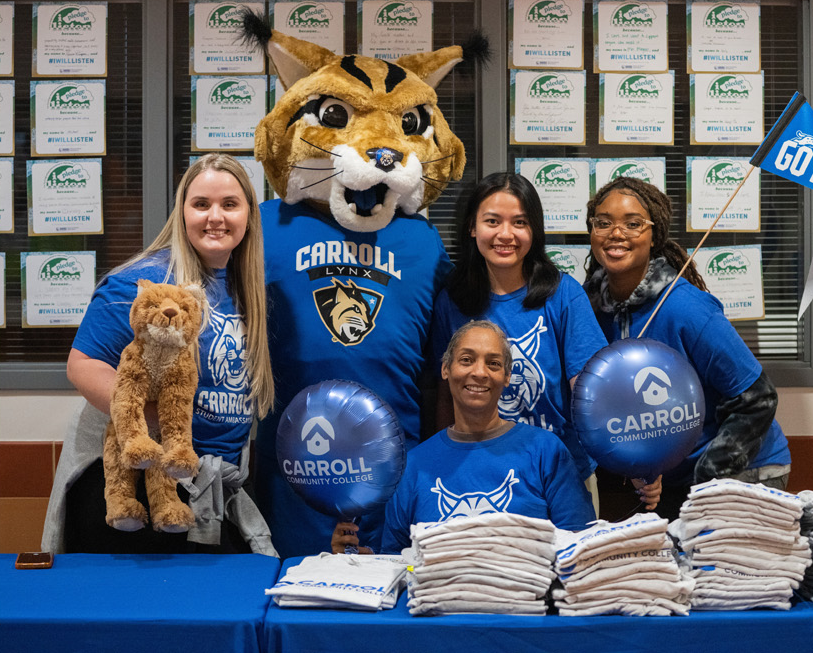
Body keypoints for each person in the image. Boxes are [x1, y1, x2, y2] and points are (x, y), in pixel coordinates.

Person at [41, 153, 277, 554]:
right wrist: (152, 421)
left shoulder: (249, 292)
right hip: (140, 480)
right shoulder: (146, 283)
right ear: (182, 212)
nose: (214, 216)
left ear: (250, 216)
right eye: (201, 204)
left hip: (207, 483)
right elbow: (83, 365)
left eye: (229, 204)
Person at [426, 173, 654, 516]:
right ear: (472, 228)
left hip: (559, 478)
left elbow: (593, 392)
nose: (506, 234)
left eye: (520, 222)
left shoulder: (562, 295)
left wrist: (634, 460)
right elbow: (444, 393)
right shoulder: (451, 302)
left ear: (534, 231)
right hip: (477, 477)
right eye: (492, 221)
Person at [252, 178, 452, 558]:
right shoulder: (266, 225)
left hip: (394, 463)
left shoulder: (420, 236)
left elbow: (443, 363)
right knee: (294, 597)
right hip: (294, 468)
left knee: (391, 597)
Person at [583, 177, 790, 521]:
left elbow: (759, 399)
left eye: (633, 224)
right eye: (603, 222)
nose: (616, 233)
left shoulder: (687, 309)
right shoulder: (590, 307)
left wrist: (704, 484)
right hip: (670, 481)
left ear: (655, 235)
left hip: (742, 470)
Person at [345, 320, 597, 554]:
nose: (479, 372)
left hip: (529, 600)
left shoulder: (545, 450)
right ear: (445, 369)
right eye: (467, 360)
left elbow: (579, 547)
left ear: (507, 376)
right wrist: (356, 561)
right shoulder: (413, 466)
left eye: (494, 363)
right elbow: (400, 564)